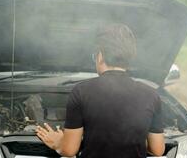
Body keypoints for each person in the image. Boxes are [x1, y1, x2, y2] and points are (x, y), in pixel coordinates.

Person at [36, 25, 165, 158]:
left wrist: (58, 143)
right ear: (129, 57)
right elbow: (157, 150)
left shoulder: (81, 92)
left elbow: (69, 151)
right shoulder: (151, 95)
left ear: (100, 55)